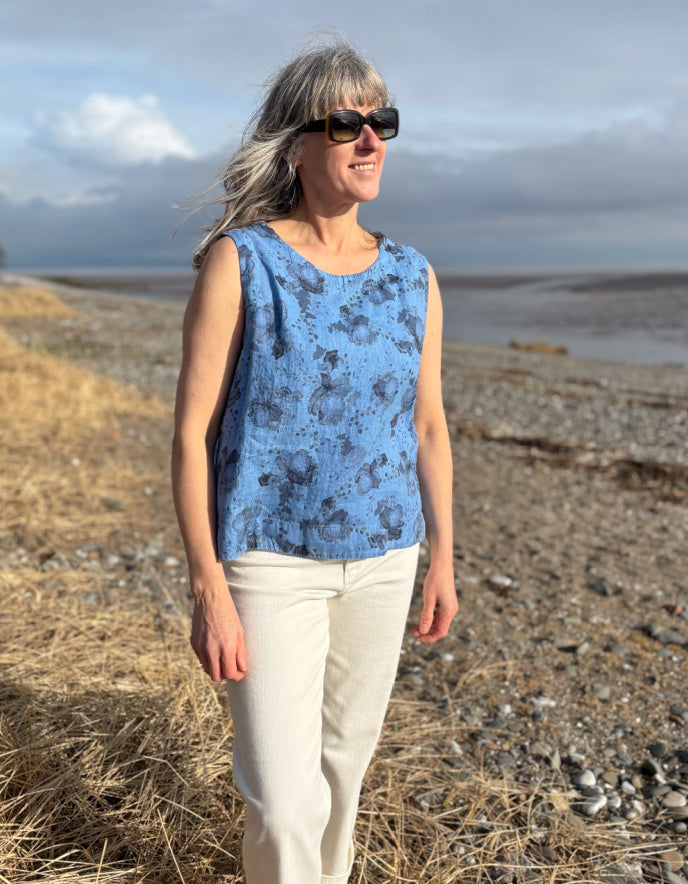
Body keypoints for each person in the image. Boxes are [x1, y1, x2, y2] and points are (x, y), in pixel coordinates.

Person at [171, 37, 458, 884]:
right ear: (295, 143)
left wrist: (442, 557)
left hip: (384, 557)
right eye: (346, 123)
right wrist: (207, 585)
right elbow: (192, 434)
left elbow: (429, 427)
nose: (371, 140)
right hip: (267, 563)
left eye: (383, 122)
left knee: (343, 777)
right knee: (284, 801)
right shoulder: (242, 262)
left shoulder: (413, 274)